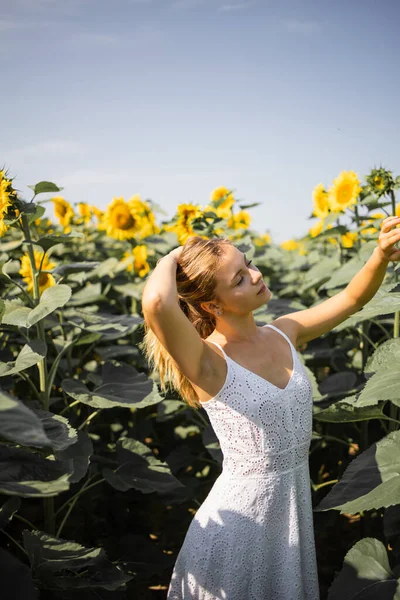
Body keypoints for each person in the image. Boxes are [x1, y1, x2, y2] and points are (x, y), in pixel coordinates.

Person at [141, 217, 400, 600]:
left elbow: (351, 300)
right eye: (240, 279)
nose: (256, 275)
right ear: (213, 304)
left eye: (248, 264)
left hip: (290, 509)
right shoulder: (207, 362)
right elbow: (158, 302)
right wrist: (177, 254)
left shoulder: (285, 330)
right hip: (239, 524)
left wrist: (381, 253)